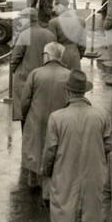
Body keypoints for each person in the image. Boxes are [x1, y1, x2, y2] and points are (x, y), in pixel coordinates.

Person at [42, 69, 112, 222]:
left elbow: (50, 152)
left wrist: (46, 171)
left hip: (65, 174)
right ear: (84, 92)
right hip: (94, 177)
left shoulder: (57, 118)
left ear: (67, 92)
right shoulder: (101, 115)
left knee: (63, 210)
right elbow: (109, 145)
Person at [20, 43, 71, 196]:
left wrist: (25, 114)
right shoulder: (68, 74)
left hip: (36, 117)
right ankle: (49, 184)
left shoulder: (35, 73)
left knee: (34, 146)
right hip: (59, 118)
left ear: (47, 56)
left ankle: (33, 177)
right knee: (54, 148)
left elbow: (25, 100)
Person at [9, 9, 55, 131]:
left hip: (26, 80)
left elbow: (15, 58)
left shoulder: (24, 35)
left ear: (27, 19)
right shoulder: (49, 35)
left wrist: (16, 72)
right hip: (46, 79)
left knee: (26, 117)